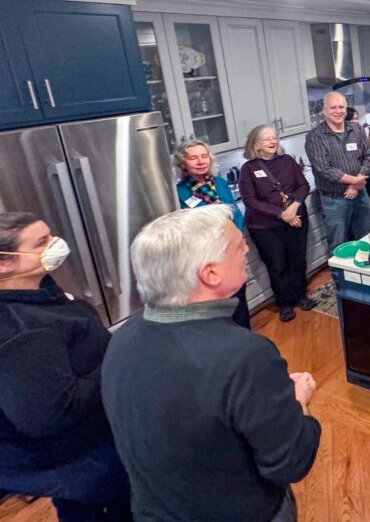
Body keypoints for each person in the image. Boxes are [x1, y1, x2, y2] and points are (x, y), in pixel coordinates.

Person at [103, 205, 321, 522]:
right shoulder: (245, 356)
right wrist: (299, 402)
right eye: (238, 246)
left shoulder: (123, 337)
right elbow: (290, 462)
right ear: (210, 274)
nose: (247, 249)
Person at [0, 212, 132, 522]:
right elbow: (49, 415)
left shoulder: (37, 289)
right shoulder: (20, 330)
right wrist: (115, 360)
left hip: (89, 449)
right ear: (4, 263)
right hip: (74, 462)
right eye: (41, 242)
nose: (55, 243)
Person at [240, 124, 314, 323]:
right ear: (256, 144)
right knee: (277, 265)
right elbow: (250, 201)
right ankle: (285, 304)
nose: (272, 142)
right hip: (266, 227)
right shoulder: (248, 169)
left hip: (295, 218)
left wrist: (294, 206)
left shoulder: (287, 161)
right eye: (266, 139)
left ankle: (301, 295)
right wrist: (281, 214)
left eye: (274, 138)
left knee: (297, 259)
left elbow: (303, 185)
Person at [174, 139, 250, 328]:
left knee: (239, 300)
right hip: (206, 257)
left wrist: (233, 239)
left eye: (204, 156)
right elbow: (186, 230)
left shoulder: (220, 183)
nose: (200, 161)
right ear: (183, 163)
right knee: (218, 305)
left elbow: (236, 213)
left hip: (231, 252)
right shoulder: (179, 193)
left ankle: (245, 336)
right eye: (193, 158)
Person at [305, 92, 370, 251]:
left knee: (364, 238)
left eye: (341, 107)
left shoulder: (356, 128)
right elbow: (325, 168)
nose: (338, 111)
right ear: (324, 110)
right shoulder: (315, 137)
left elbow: (369, 156)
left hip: (360, 194)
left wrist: (356, 185)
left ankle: (364, 266)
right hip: (334, 200)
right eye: (333, 107)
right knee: (338, 244)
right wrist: (355, 181)